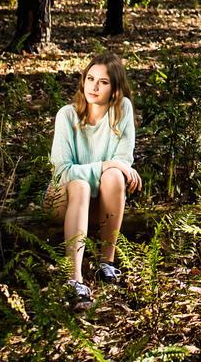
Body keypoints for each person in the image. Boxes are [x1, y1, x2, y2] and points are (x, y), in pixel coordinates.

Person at [47, 52, 141, 307]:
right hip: (62, 199)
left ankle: (106, 264)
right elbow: (62, 172)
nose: (94, 86)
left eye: (103, 82)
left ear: (115, 89)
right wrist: (106, 164)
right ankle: (74, 280)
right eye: (90, 78)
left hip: (100, 205)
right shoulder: (67, 115)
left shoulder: (123, 111)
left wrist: (111, 167)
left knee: (114, 176)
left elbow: (122, 162)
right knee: (80, 184)